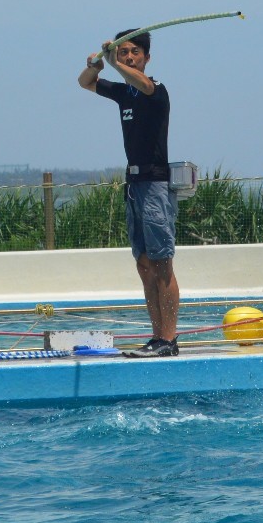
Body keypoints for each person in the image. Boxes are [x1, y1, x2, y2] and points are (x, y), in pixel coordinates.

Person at [78, 28, 179, 358]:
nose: (130, 56)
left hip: (155, 185)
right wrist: (97, 64)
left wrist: (113, 61)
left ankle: (169, 339)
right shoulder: (124, 94)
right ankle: (156, 336)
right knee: (144, 264)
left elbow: (143, 83)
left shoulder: (156, 91)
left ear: (147, 58)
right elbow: (85, 82)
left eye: (135, 52)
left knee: (163, 263)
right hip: (134, 186)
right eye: (124, 52)